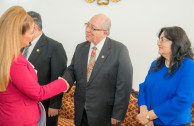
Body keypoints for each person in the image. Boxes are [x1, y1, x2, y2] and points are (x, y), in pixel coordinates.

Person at [0, 6, 69, 126]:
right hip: (20, 119)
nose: (32, 36)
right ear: (18, 34)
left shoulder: (6, 53)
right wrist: (63, 83)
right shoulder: (14, 60)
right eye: (31, 32)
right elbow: (38, 92)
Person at [62, 14, 133, 126]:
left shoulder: (119, 50)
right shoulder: (80, 48)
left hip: (105, 115)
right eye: (87, 25)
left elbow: (124, 85)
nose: (87, 30)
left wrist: (118, 114)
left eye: (93, 28)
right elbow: (72, 70)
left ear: (105, 32)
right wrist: (65, 81)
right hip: (81, 112)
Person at [137, 26, 194, 126]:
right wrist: (144, 111)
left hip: (176, 123)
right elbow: (143, 89)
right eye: (159, 39)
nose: (159, 43)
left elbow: (183, 99)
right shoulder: (155, 64)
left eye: (163, 40)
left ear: (177, 42)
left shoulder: (189, 66)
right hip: (151, 122)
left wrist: (149, 116)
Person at [23, 11, 67, 126]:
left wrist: (54, 105)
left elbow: (58, 77)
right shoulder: (22, 44)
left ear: (34, 27)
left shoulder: (54, 47)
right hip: (24, 103)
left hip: (44, 103)